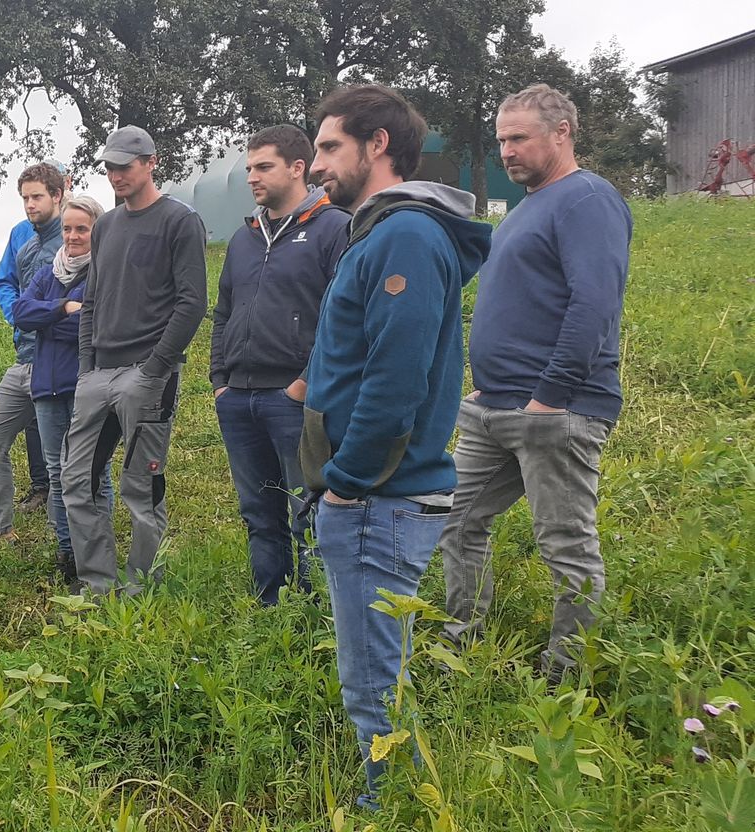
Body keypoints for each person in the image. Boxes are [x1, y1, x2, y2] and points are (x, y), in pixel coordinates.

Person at [301, 85, 491, 807]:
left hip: (380, 497)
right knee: (374, 673)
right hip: (369, 493)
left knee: (374, 681)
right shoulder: (380, 231)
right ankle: (393, 797)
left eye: (327, 148)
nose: (316, 165)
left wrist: (346, 479)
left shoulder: (405, 235)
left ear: (377, 144)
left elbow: (397, 376)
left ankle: (388, 809)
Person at [441, 83, 632, 679]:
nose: (507, 151)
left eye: (519, 137)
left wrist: (549, 395)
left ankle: (567, 677)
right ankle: (462, 641)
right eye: (502, 139)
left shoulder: (587, 200)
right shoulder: (526, 208)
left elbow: (594, 304)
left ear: (562, 132)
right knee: (457, 521)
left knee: (565, 546)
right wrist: (487, 385)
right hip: (494, 407)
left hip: (558, 411)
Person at [62, 126, 209, 594]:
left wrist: (155, 368)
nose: (115, 175)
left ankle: (142, 589)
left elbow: (192, 303)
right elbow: (93, 299)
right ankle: (97, 586)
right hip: (98, 374)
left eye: (125, 166)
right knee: (77, 481)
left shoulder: (179, 221)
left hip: (147, 375)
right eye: (109, 167)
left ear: (151, 162)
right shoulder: (105, 226)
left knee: (140, 489)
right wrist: (87, 368)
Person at [209, 125, 351, 605]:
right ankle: (271, 603)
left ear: (298, 168)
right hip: (238, 397)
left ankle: (317, 608)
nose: (252, 177)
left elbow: (342, 317)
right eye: (249, 168)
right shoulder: (244, 238)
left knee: (306, 507)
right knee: (257, 511)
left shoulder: (334, 227)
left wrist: (305, 384)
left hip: (294, 398)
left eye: (263, 166)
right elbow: (223, 311)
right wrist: (219, 381)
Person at [12, 195, 107, 587]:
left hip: (85, 386)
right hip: (47, 387)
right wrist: (62, 308)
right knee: (57, 473)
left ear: (97, 230)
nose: (72, 236)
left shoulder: (104, 272)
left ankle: (97, 555)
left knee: (92, 473)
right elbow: (20, 311)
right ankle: (67, 554)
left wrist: (49, 316)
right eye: (67, 228)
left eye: (81, 229)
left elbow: (91, 327)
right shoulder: (49, 272)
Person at [0, 163, 67, 541]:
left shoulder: (73, 239)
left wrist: (41, 315)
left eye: (37, 197)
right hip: (24, 360)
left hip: (58, 365)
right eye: (25, 198)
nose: (30, 205)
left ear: (58, 195)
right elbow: (6, 283)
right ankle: (1, 527)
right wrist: (19, 314)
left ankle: (64, 538)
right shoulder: (25, 242)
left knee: (60, 460)